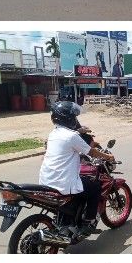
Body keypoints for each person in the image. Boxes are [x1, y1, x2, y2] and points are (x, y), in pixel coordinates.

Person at [39, 101, 115, 236]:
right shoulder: (72, 136)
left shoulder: (53, 134)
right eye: (73, 117)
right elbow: (91, 152)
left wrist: (80, 130)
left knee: (82, 184)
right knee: (95, 186)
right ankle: (88, 222)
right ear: (68, 118)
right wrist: (107, 156)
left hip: (46, 181)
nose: (75, 119)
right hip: (64, 182)